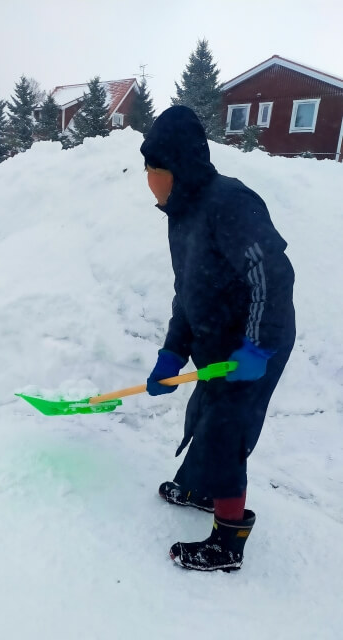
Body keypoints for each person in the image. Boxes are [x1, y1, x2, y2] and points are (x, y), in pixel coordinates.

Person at [140, 106, 296, 572]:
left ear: (179, 167)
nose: (149, 178)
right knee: (204, 410)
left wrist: (258, 344)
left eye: (155, 168)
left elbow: (272, 273)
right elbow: (188, 290)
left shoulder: (229, 202)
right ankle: (201, 488)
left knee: (226, 427)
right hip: (217, 336)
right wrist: (172, 351)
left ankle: (227, 542)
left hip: (253, 340)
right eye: (147, 168)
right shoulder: (181, 213)